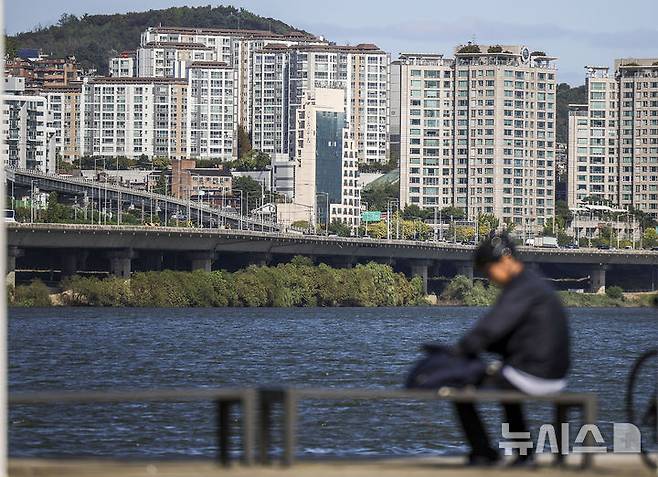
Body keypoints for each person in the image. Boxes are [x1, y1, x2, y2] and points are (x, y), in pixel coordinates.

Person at [454, 232, 570, 466]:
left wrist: (461, 351)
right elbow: (506, 336)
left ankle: (483, 450)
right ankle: (524, 453)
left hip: (536, 373)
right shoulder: (532, 284)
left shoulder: (521, 288)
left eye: (488, 270)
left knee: (460, 387)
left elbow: (490, 328)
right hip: (554, 374)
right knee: (505, 383)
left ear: (505, 260)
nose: (489, 277)